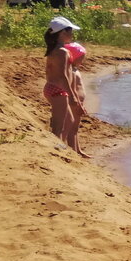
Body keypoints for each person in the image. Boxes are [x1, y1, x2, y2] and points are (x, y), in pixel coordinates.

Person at [43, 16, 85, 152]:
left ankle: (60, 146)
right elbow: (63, 75)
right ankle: (56, 149)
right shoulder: (62, 52)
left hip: (52, 88)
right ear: (62, 33)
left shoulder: (55, 49)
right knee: (59, 125)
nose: (72, 34)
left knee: (69, 121)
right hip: (58, 90)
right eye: (70, 31)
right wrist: (72, 96)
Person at [61, 40, 91, 158]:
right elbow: (72, 88)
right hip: (75, 102)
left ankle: (78, 150)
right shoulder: (71, 71)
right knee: (72, 128)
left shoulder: (75, 70)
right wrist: (78, 103)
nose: (83, 60)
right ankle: (73, 152)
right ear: (74, 57)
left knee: (76, 128)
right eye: (81, 58)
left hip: (78, 101)